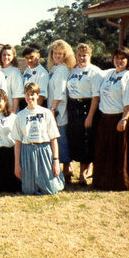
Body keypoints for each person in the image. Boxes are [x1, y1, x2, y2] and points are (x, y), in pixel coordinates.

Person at [94, 47, 129, 191]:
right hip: (107, 118)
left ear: (128, 61)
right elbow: (94, 72)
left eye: (122, 58)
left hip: (122, 118)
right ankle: (105, 181)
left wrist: (124, 119)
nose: (119, 61)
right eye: (116, 57)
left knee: (122, 151)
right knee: (107, 151)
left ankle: (122, 182)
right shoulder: (109, 73)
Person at [12, 82, 64, 195]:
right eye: (27, 94)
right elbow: (17, 141)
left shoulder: (46, 113)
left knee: (51, 190)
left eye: (32, 94)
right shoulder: (20, 115)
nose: (30, 97)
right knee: (28, 191)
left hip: (44, 150)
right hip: (27, 151)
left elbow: (54, 139)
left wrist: (56, 160)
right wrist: (17, 164)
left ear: (37, 95)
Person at [66, 43, 103, 185]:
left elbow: (96, 96)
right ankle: (76, 171)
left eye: (84, 55)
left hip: (87, 107)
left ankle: (84, 175)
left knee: (87, 141)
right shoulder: (73, 70)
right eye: (79, 55)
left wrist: (90, 116)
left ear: (90, 56)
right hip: (73, 107)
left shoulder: (95, 72)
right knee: (77, 140)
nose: (82, 58)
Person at [47, 39, 75, 182]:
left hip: (58, 110)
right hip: (52, 108)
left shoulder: (63, 69)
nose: (57, 56)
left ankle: (67, 169)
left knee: (61, 139)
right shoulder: (54, 69)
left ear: (65, 55)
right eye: (55, 53)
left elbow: (60, 91)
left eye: (60, 53)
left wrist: (52, 108)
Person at [0, 44, 24, 113]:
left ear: (13, 56)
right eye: (4, 55)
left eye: (9, 55)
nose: (6, 57)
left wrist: (13, 111)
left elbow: (17, 94)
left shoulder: (15, 71)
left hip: (10, 110)